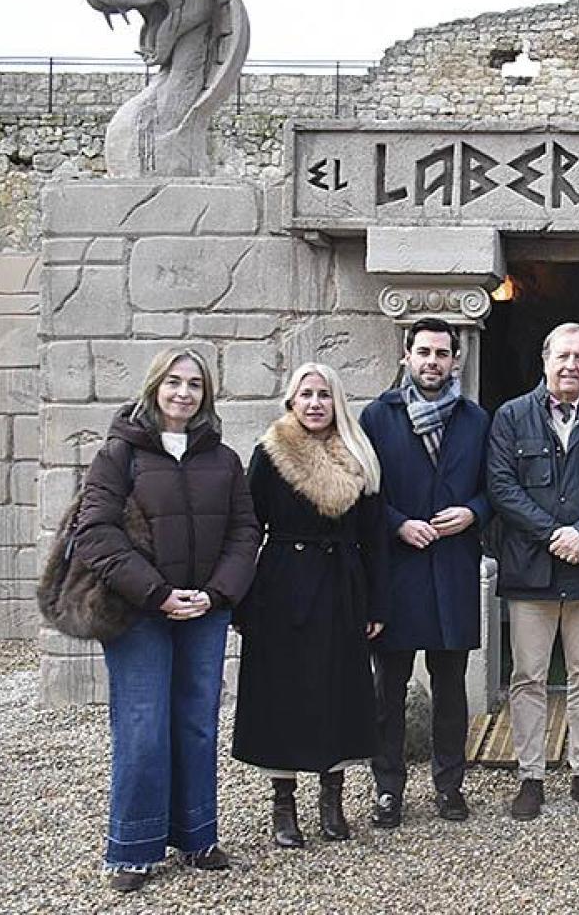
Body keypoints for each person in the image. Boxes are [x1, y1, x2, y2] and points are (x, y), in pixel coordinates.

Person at [73, 347, 260, 893]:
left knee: (198, 724)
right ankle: (133, 849)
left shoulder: (222, 459)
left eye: (195, 385)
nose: (183, 393)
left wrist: (216, 592)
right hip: (139, 612)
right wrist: (156, 593)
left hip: (203, 611)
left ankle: (198, 836)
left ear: (206, 395)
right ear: (155, 386)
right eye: (174, 382)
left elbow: (245, 532)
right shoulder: (118, 454)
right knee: (143, 727)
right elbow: (96, 532)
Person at [232, 363, 389, 849]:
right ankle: (283, 804)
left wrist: (376, 601)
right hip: (282, 587)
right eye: (306, 394)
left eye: (324, 394)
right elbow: (247, 529)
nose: (316, 403)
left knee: (336, 689)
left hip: (341, 586)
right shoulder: (269, 454)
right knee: (283, 692)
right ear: (291, 402)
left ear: (336, 401)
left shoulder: (359, 455)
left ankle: (332, 798)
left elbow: (374, 538)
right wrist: (240, 596)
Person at [487, 322, 579, 820]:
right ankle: (531, 776)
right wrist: (555, 533)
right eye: (563, 356)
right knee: (527, 676)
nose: (571, 365)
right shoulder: (511, 417)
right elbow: (502, 487)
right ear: (545, 360)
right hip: (532, 570)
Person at [360, 317, 492, 827]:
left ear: (455, 360)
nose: (433, 362)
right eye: (424, 352)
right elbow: (363, 492)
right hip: (397, 571)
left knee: (451, 687)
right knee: (387, 688)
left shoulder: (476, 419)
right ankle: (388, 789)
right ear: (406, 357)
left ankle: (450, 786)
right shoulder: (377, 416)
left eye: (442, 353)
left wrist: (473, 513)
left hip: (452, 568)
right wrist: (396, 525)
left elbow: (493, 487)